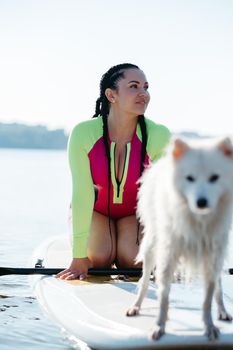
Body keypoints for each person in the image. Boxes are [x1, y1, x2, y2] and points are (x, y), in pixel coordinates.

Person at [57, 63, 170, 280]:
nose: (143, 94)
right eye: (134, 87)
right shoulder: (83, 133)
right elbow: (82, 192)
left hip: (134, 214)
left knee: (135, 262)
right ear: (111, 95)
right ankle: (97, 245)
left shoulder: (158, 135)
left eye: (146, 87)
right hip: (96, 211)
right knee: (99, 260)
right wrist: (79, 256)